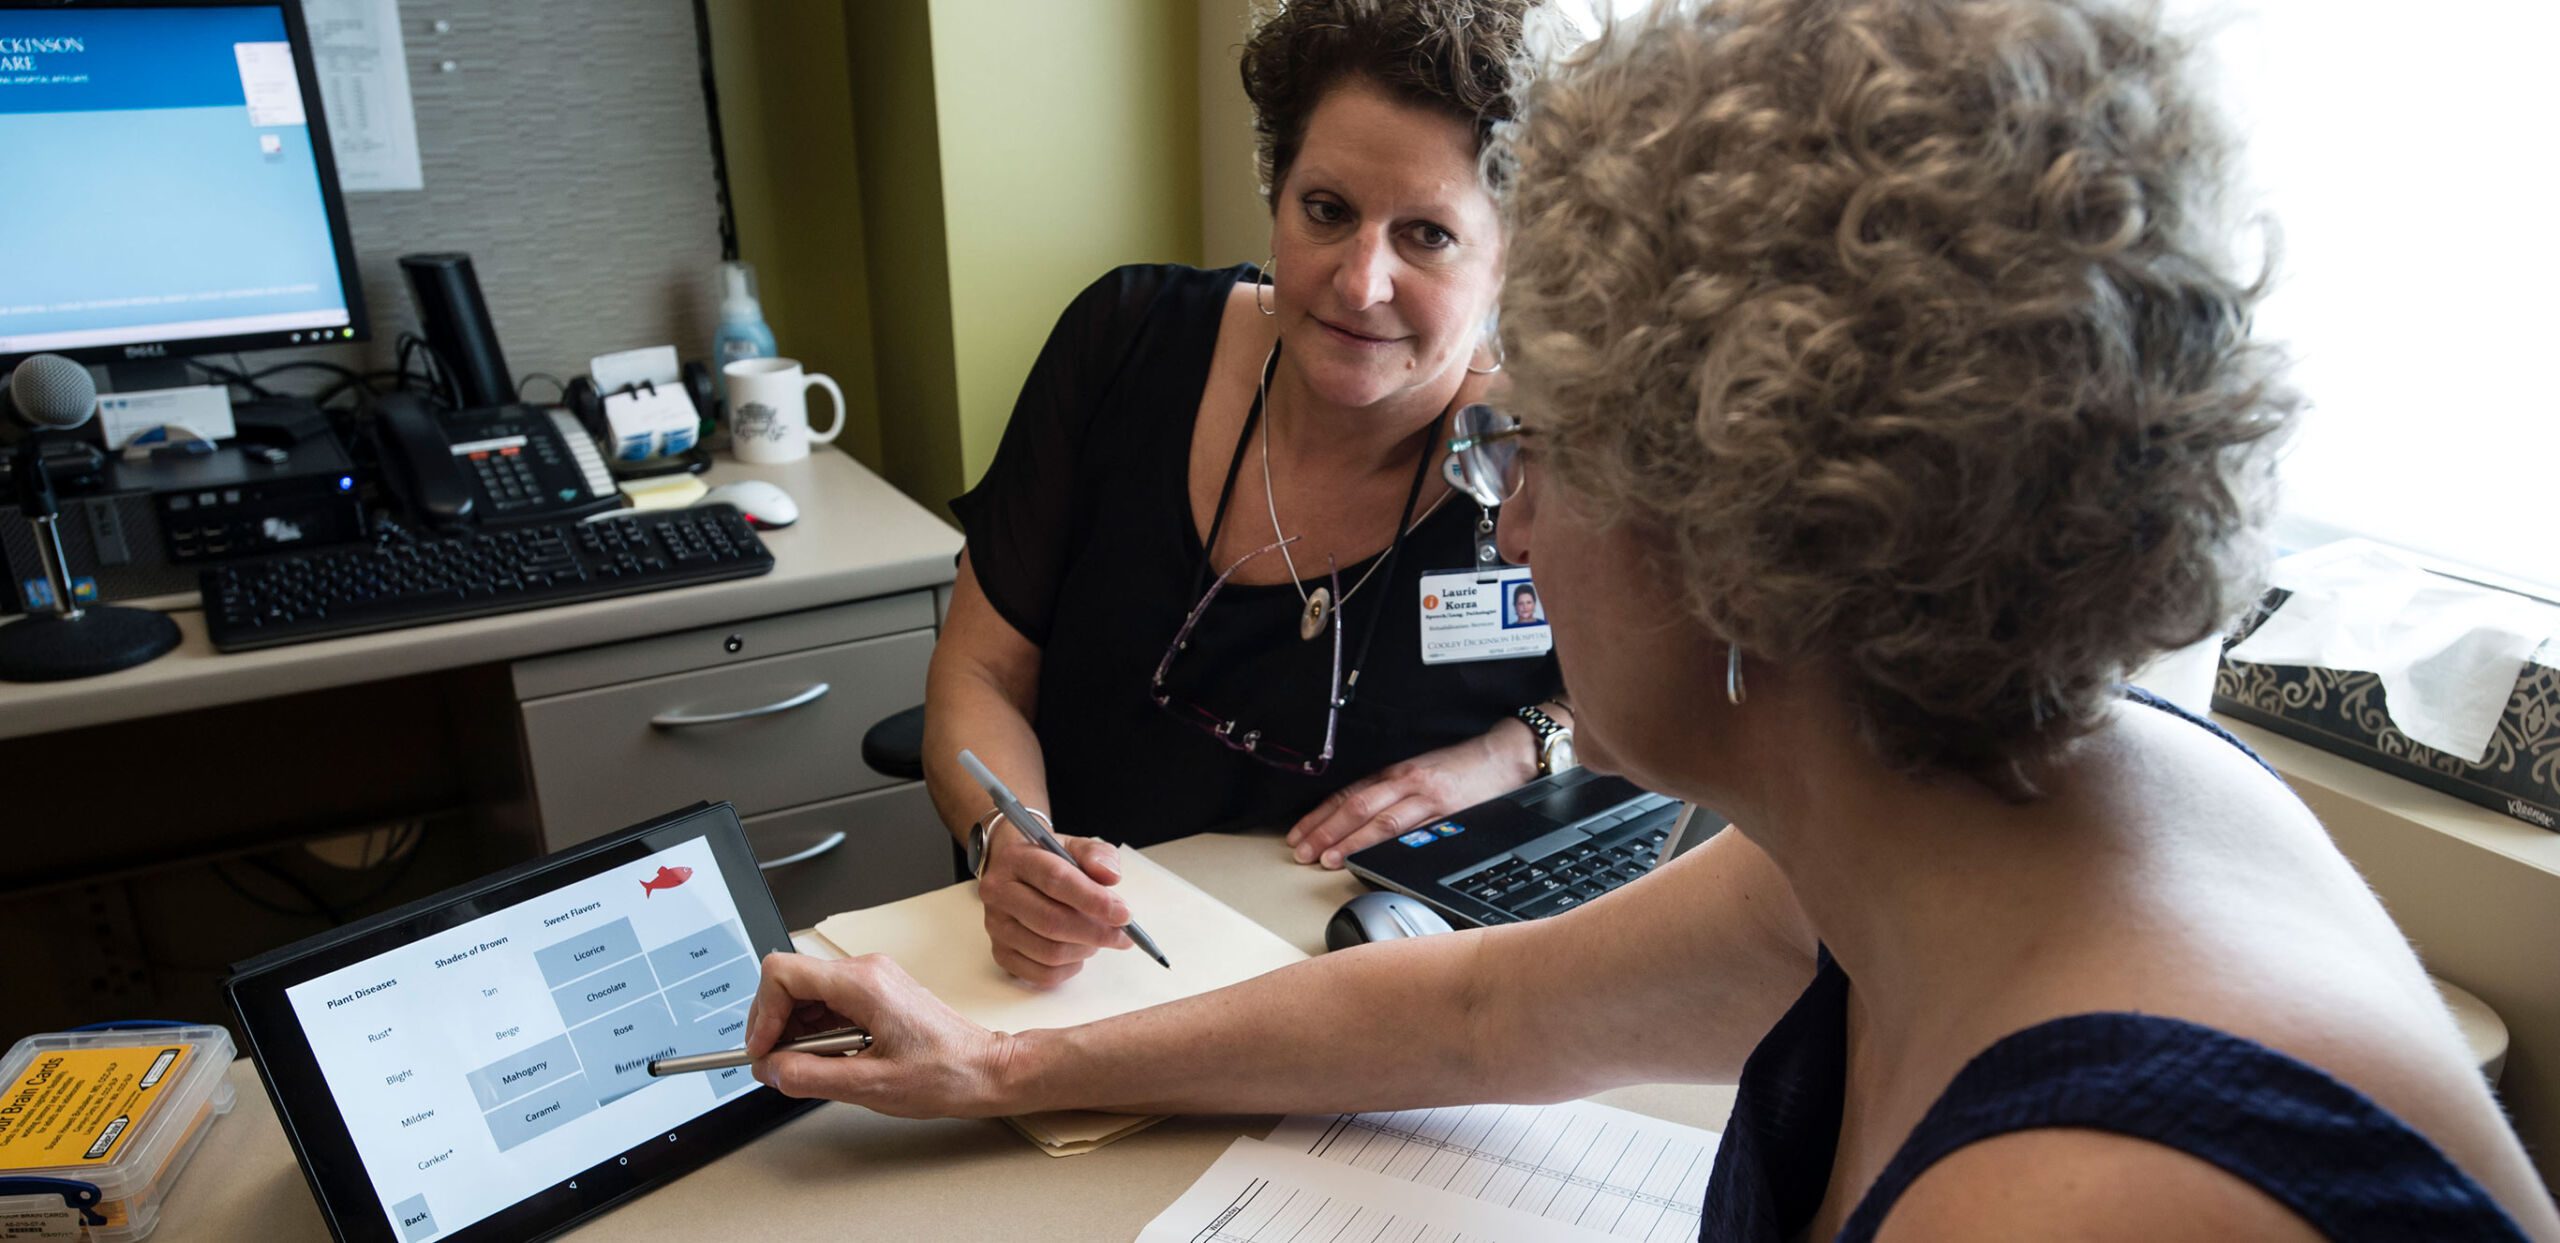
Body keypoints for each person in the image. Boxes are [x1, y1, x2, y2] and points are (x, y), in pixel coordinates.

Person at [752, 0, 2560, 1236]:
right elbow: (1466, 1020)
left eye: (1543, 442)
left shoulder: (2102, 1191)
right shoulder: (1979, 812)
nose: (1509, 509)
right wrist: (993, 1061)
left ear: (1759, 534)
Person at [923, 0, 1578, 988]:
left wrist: (1510, 750)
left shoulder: (1549, 449)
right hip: (1084, 968)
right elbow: (977, 677)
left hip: (1370, 992)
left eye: (1428, 236)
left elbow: (1653, 706)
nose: (1360, 282)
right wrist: (1009, 847)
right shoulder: (1124, 343)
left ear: (1512, 257)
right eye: (1326, 211)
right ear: (1275, 191)